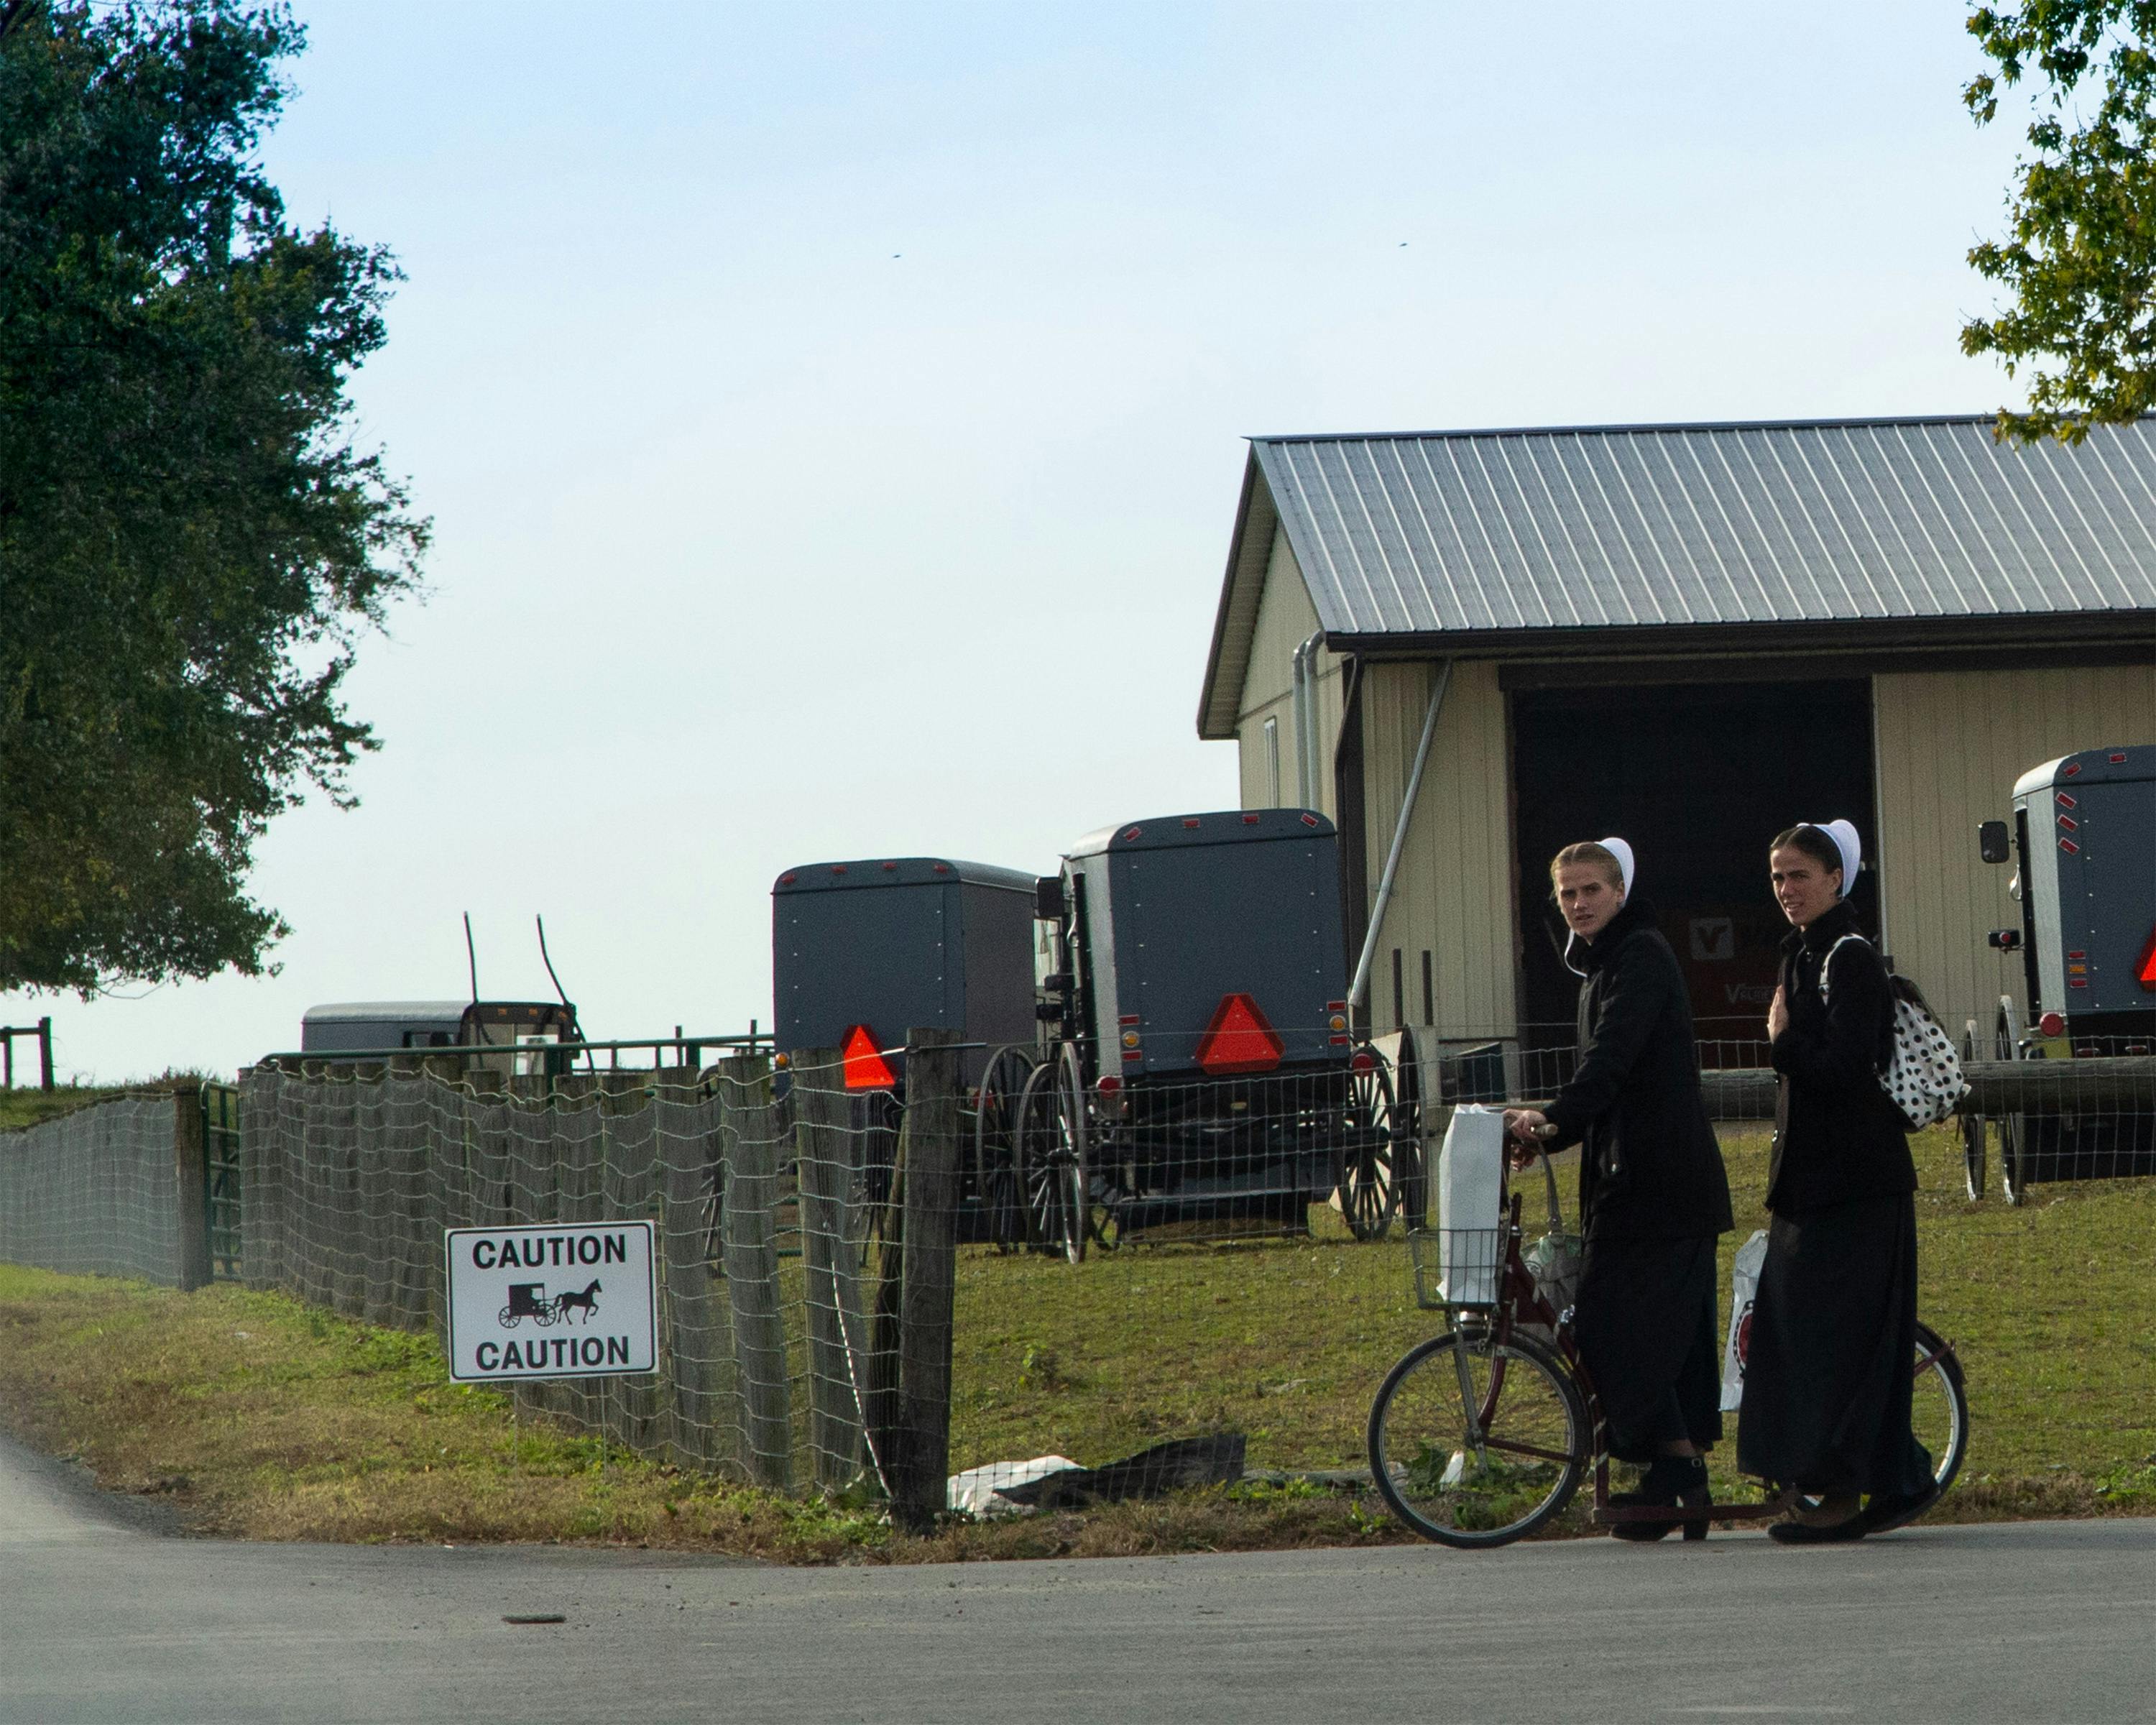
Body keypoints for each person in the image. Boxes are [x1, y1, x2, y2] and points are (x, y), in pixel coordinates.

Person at [1506, 838, 1734, 1541]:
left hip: (1660, 1184)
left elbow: (1611, 1065)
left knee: (1616, 1329)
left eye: (1591, 891)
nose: (1577, 904)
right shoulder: (1605, 966)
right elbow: (1606, 1087)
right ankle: (1676, 1477)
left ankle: (1675, 1477)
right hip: (1630, 1183)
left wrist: (1551, 1120)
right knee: (1648, 1338)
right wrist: (1555, 1131)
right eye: (1568, 894)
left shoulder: (1638, 960)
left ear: (1620, 894)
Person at [1738, 820, 1935, 1544]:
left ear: (1836, 880)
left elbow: (1849, 1070)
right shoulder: (1804, 954)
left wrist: (1784, 1043)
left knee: (1840, 1344)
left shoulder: (1848, 958)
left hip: (1856, 1187)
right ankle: (1874, 1477)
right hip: (1816, 1186)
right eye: (1778, 877)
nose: (1787, 890)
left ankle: (1849, 1491)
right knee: (1801, 1337)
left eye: (1799, 876)